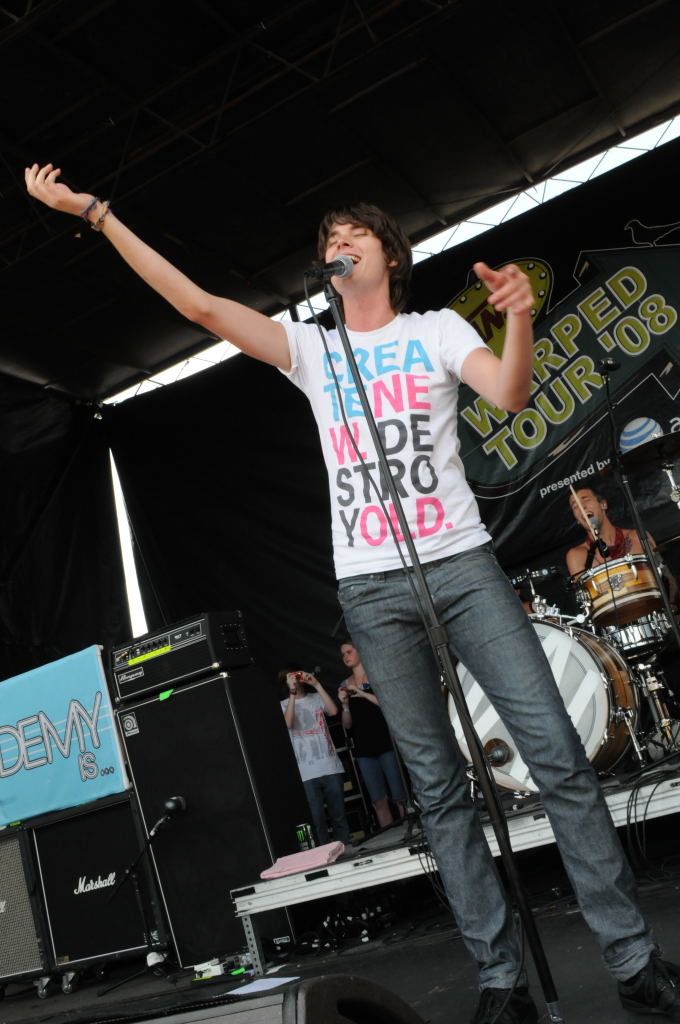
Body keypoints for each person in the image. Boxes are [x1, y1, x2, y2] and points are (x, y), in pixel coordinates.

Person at [24, 164, 680, 1023]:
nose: (337, 243)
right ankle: (500, 980)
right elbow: (200, 306)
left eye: (353, 234)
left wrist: (520, 316)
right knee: (438, 789)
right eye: (328, 239)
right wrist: (96, 214)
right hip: (371, 589)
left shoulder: (436, 329)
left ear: (389, 257)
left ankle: (632, 960)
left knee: (556, 752)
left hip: (462, 566)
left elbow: (510, 390)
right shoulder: (313, 349)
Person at [338, 639, 406, 828]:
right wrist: (345, 705)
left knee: (399, 795)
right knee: (378, 800)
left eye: (349, 652)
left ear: (359, 651)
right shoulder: (344, 684)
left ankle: (409, 830)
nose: (346, 657)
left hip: (386, 743)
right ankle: (390, 837)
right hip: (363, 748)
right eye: (343, 654)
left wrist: (360, 692)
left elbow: (388, 704)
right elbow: (347, 725)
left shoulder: (375, 675)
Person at [278, 667, 350, 845]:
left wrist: (316, 684)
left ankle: (345, 850)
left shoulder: (316, 697)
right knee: (317, 822)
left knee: (339, 817)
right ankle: (323, 856)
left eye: (297, 675)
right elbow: (288, 723)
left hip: (330, 767)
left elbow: (334, 711)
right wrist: (292, 691)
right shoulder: (283, 704)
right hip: (306, 772)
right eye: (292, 677)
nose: (296, 679)